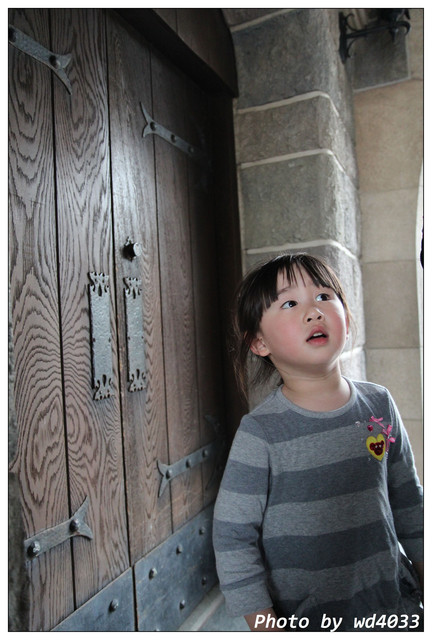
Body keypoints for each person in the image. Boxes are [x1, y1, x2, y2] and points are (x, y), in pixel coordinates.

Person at [213, 253, 423, 632]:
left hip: (393, 605)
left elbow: (409, 500)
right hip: (310, 620)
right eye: (290, 303)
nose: (314, 312)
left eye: (324, 296)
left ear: (347, 317)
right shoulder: (261, 432)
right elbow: (233, 538)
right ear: (259, 342)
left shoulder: (378, 404)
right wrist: (265, 626)